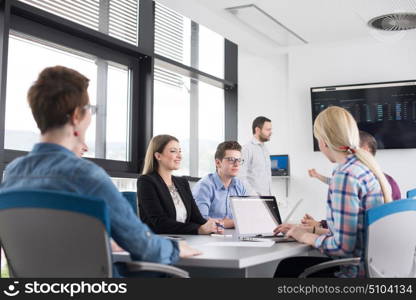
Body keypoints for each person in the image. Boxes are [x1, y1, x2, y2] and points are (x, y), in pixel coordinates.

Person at [0, 66, 200, 276]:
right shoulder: (86, 176)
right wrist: (176, 248)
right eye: (90, 110)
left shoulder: (12, 174)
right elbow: (143, 246)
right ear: (77, 115)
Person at [274, 106, 391, 278]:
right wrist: (306, 230)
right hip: (371, 269)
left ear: (323, 141)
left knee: (288, 269)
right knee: (289, 266)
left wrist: (304, 237)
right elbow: (354, 235)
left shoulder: (344, 175)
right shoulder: (364, 168)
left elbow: (343, 247)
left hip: (352, 273)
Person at [304, 130, 401, 228]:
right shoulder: (384, 180)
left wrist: (317, 228)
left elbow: (350, 232)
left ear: (365, 150)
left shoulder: (355, 178)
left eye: (348, 149)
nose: (343, 153)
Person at [137, 134, 224, 235]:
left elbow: (196, 218)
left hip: (185, 238)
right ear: (158, 156)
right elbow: (159, 223)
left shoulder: (182, 182)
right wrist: (198, 229)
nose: (179, 156)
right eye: (173, 151)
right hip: (160, 240)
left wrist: (212, 226)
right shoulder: (146, 182)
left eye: (180, 151)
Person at [192, 141, 247, 229]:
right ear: (218, 163)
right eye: (231, 160)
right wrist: (234, 223)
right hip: (209, 238)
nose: (236, 164)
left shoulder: (239, 186)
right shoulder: (204, 186)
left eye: (239, 160)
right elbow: (201, 221)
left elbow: (246, 218)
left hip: (234, 236)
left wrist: (227, 223)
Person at [238, 116, 273, 196]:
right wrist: (254, 195)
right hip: (254, 199)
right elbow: (240, 176)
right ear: (257, 130)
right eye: (268, 130)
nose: (270, 132)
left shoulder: (265, 149)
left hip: (267, 197)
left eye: (270, 129)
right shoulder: (247, 149)